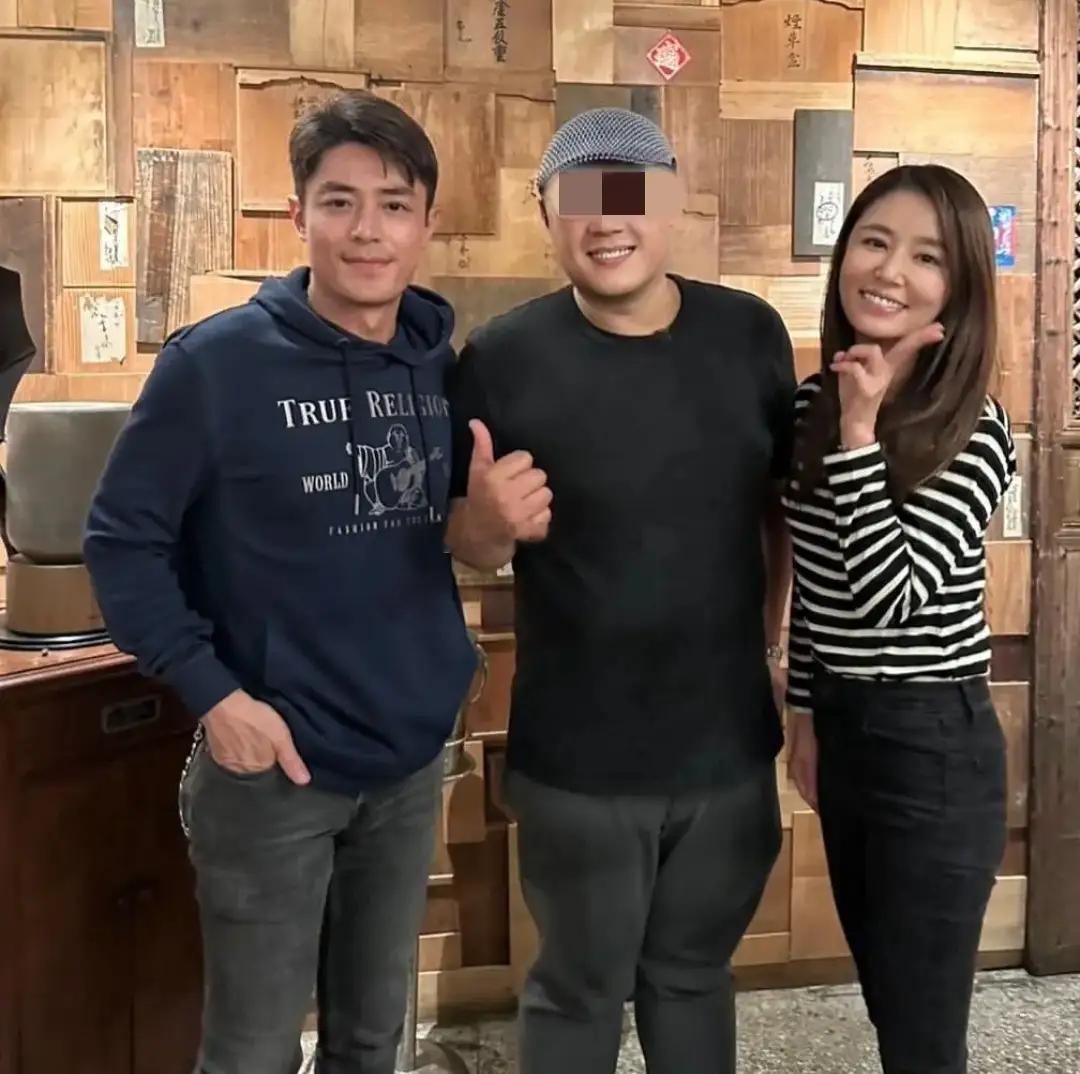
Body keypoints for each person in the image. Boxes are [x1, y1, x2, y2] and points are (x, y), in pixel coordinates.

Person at [84, 90, 478, 1074]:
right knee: (254, 1053)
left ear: (426, 224)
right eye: (339, 202)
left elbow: (446, 536)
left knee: (372, 1040)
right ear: (298, 215)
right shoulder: (215, 366)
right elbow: (120, 542)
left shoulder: (442, 370)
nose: (367, 230)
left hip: (406, 761)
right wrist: (216, 698)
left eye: (394, 204)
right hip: (273, 771)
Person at [445, 108, 794, 1074]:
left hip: (726, 751)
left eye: (631, 194)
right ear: (545, 213)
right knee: (577, 989)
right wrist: (487, 524)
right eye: (580, 199)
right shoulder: (502, 358)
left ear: (673, 204)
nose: (607, 221)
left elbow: (777, 513)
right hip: (578, 760)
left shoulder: (750, 334)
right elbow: (465, 541)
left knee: (693, 978)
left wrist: (773, 649)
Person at [783, 164, 1016, 1074]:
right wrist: (805, 712)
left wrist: (859, 434)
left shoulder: (975, 430)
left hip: (934, 746)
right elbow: (819, 581)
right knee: (888, 999)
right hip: (846, 728)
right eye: (874, 242)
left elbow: (889, 600)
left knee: (922, 1034)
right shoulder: (813, 401)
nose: (889, 270)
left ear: (957, 289)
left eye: (926, 257)